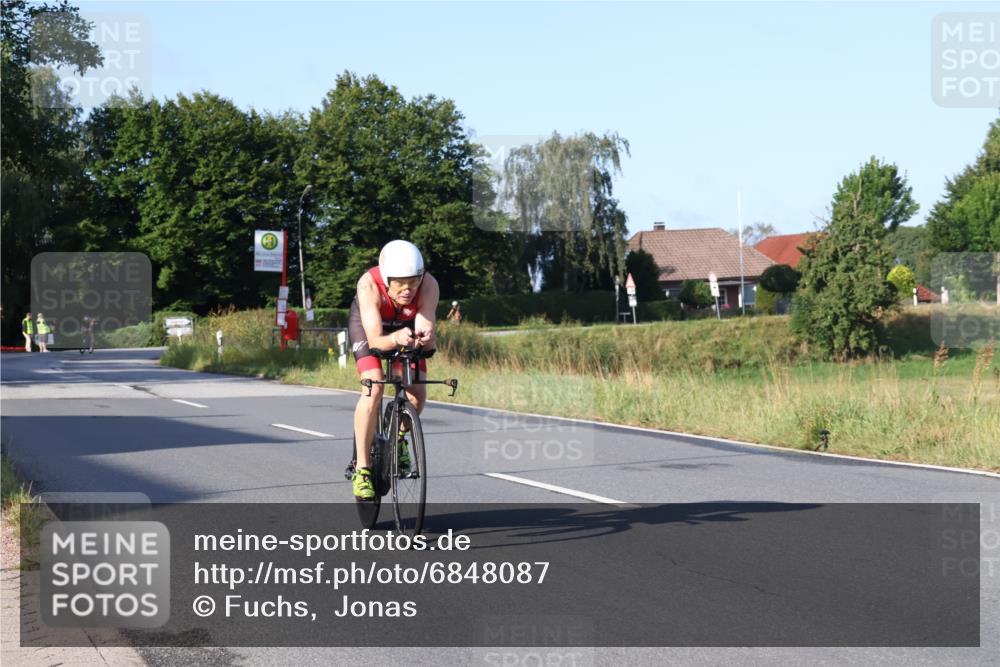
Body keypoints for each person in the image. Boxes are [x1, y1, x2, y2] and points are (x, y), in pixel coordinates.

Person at [348, 240, 439, 500]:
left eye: (413, 282)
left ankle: (398, 440)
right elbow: (376, 341)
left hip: (404, 327)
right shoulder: (368, 284)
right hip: (370, 329)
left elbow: (428, 336)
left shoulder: (429, 285)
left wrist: (427, 338)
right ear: (387, 278)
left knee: (417, 395)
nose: (408, 289)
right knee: (374, 387)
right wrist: (396, 338)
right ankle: (362, 469)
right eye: (400, 283)